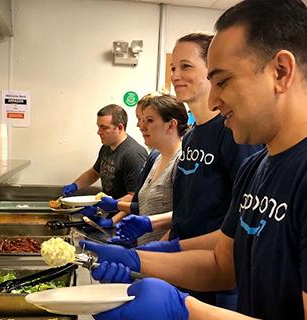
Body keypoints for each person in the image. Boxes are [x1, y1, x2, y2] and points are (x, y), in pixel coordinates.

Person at [80, 1, 307, 319]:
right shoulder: (257, 167)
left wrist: (185, 311)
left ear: (281, 72)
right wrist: (137, 261)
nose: (212, 100)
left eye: (222, 82)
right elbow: (224, 264)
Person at [107, 32, 262, 307]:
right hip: (184, 265)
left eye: (186, 66)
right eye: (173, 68)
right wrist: (154, 225)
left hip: (216, 276)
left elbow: (241, 221)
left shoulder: (233, 134)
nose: (176, 75)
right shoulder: (191, 137)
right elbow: (191, 207)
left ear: (211, 70)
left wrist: (168, 248)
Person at [86, 95, 188, 244]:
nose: (141, 126)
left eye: (149, 121)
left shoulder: (181, 162)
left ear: (171, 125)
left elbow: (184, 217)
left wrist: (156, 248)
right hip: (145, 251)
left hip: (162, 257)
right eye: (142, 120)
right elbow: (145, 207)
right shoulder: (157, 158)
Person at [61, 104, 147, 203]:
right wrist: (76, 185)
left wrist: (111, 206)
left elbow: (134, 197)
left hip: (122, 216)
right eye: (98, 127)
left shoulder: (133, 155)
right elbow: (94, 172)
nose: (99, 132)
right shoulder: (106, 147)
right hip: (109, 212)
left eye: (104, 128)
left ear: (119, 128)